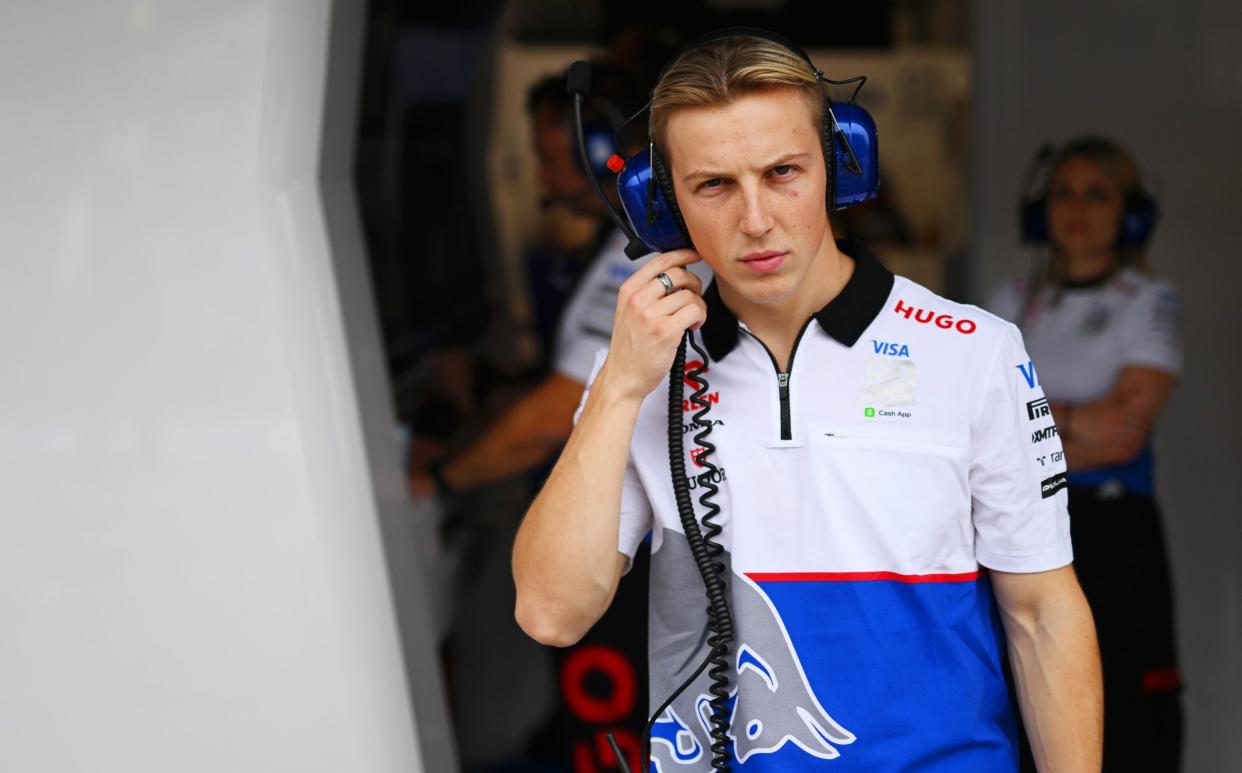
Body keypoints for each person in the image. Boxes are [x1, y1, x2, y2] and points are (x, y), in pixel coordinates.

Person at [513, 31, 1102, 771]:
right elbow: (550, 611)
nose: (756, 219)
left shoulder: (974, 350)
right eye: (714, 185)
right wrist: (619, 388)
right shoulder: (637, 370)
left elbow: (1042, 613)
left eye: (783, 171)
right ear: (660, 204)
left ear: (840, 166)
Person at [409, 60, 710, 499]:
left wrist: (437, 482)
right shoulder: (631, 235)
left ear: (599, 151)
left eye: (549, 160)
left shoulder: (652, 251)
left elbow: (556, 414)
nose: (543, 180)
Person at [988, 136, 1184, 771]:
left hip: (1114, 527)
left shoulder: (1149, 300)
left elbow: (1124, 430)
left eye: (1097, 195)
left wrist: (1028, 420)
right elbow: (975, 434)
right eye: (1064, 194)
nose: (1077, 209)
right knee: (1022, 692)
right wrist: (1075, 422)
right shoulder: (1005, 304)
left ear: (1129, 214)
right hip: (1017, 522)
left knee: (1130, 708)